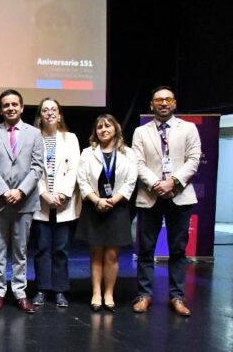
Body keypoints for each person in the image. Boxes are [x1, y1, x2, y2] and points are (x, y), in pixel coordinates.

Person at [132, 86, 201, 316]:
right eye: (158, 100)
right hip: (150, 195)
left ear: (174, 103)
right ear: (151, 105)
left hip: (180, 195)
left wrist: (173, 182)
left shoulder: (188, 128)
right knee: (146, 250)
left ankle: (177, 297)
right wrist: (156, 184)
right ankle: (144, 295)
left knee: (178, 250)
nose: (163, 103)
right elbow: (138, 163)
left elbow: (193, 159)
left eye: (167, 99)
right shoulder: (141, 132)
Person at [0, 89, 44, 314]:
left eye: (14, 104)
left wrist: (20, 191)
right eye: (6, 105)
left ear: (22, 107)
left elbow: (38, 167)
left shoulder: (34, 133)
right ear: (0, 109)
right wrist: (4, 191)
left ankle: (20, 292)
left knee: (20, 251)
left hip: (24, 202)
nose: (10, 108)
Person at [76, 114, 137, 312]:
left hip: (117, 207)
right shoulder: (87, 153)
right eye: (100, 127)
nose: (104, 130)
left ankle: (109, 293)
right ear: (96, 131)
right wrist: (97, 200)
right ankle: (96, 292)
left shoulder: (128, 153)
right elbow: (82, 181)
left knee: (112, 255)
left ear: (116, 129)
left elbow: (131, 181)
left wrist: (114, 199)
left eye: (108, 126)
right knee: (95, 253)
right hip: (94, 207)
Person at [30, 98, 81, 308]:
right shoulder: (33, 139)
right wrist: (44, 194)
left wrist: (62, 195)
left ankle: (60, 291)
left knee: (61, 249)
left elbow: (75, 169)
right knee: (42, 248)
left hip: (64, 203)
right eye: (45, 110)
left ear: (59, 115)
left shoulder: (70, 138)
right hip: (41, 203)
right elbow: (30, 169)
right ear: (40, 116)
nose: (49, 113)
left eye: (53, 109)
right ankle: (42, 289)